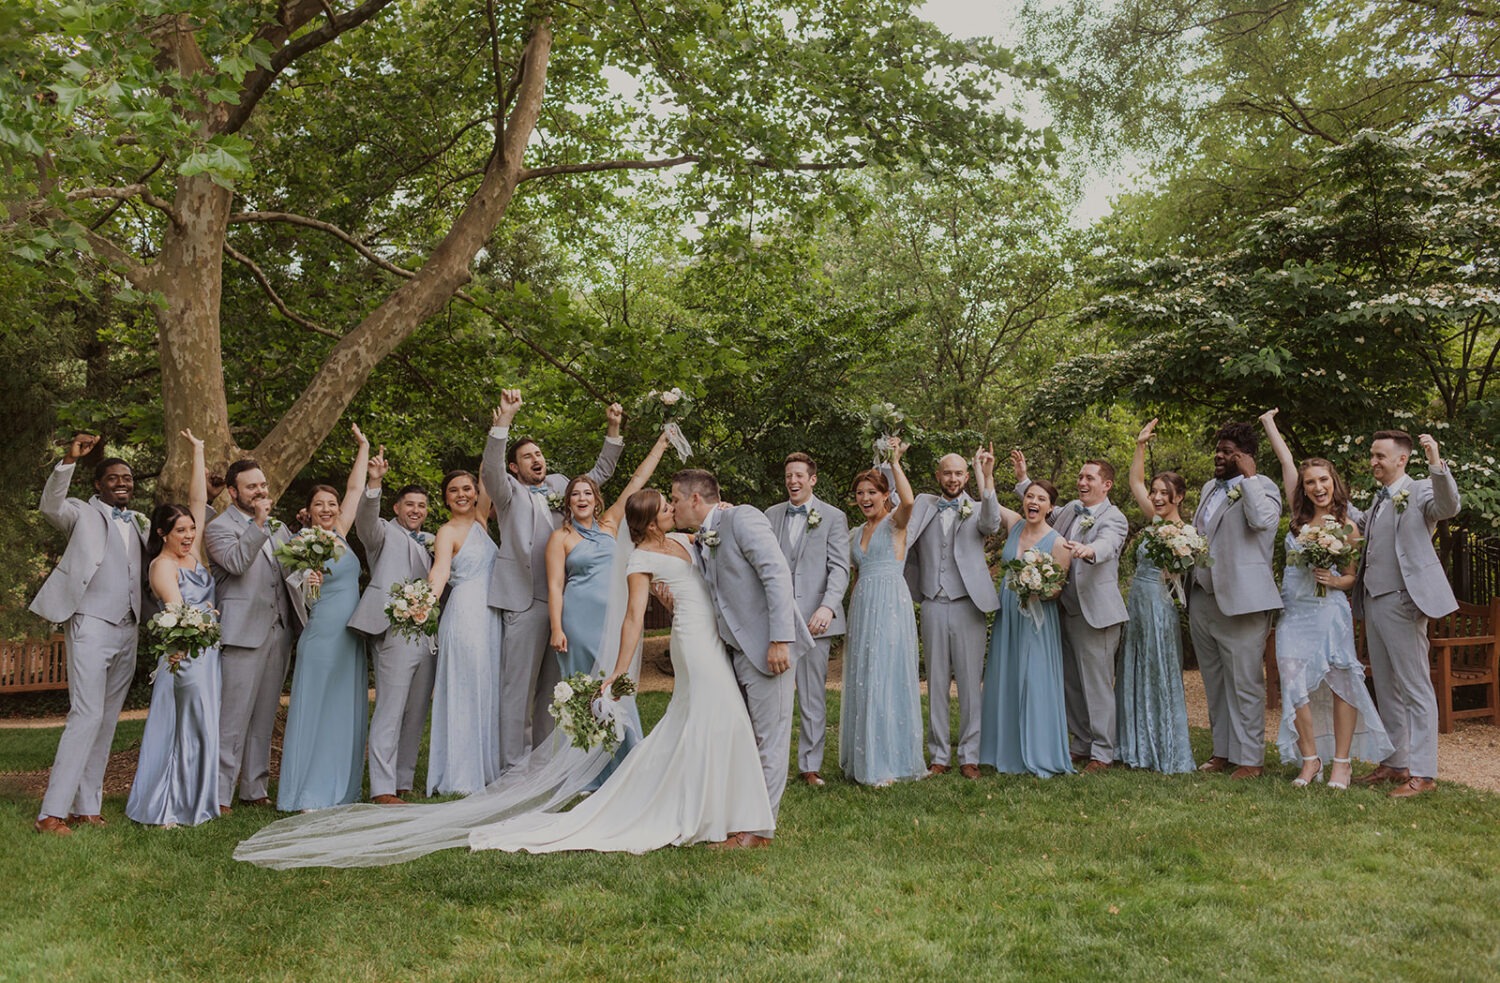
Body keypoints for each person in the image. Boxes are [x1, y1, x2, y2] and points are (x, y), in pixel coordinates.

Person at [463, 489, 775, 853]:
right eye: (665, 507)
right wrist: (619, 670)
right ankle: (721, 817)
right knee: (719, 717)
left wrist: (726, 507)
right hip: (691, 642)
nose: (673, 509)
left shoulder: (680, 539)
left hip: (713, 638)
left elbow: (711, 529)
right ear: (649, 521)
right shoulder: (640, 559)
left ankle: (723, 811)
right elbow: (631, 618)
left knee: (720, 719)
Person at [669, 468, 814, 846]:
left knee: (771, 738)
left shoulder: (743, 517)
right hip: (733, 651)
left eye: (675, 499)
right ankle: (741, 816)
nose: (673, 506)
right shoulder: (704, 536)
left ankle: (759, 829)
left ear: (695, 499)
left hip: (769, 650)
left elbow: (777, 574)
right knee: (746, 739)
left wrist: (780, 639)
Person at [481, 389, 625, 771]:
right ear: (515, 467)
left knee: (551, 689)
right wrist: (504, 423)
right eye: (527, 456)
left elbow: (597, 477)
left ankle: (541, 767)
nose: (536, 459)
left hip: (566, 605)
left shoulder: (562, 485)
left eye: (539, 454)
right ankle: (513, 767)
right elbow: (490, 470)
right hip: (523, 601)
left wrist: (613, 430)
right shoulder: (508, 491)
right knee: (518, 689)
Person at [1259, 410, 1392, 789]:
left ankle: (1342, 763)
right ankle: (1309, 760)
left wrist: (1334, 582)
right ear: (1303, 488)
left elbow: (1352, 576)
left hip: (1328, 611)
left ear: (1334, 482)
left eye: (1323, 480)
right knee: (1292, 682)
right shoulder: (1298, 519)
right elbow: (1286, 460)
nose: (1318, 488)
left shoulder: (1348, 524)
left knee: (1341, 684)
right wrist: (1269, 423)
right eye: (1311, 482)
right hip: (1294, 611)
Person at [30, 434, 148, 835]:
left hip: (128, 627)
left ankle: (87, 807)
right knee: (86, 714)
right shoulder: (80, 512)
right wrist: (69, 459)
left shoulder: (139, 522)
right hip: (90, 622)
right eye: (114, 478)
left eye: (128, 478)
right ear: (98, 484)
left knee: (108, 719)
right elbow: (50, 506)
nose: (122, 483)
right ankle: (51, 813)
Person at [545, 430, 672, 783]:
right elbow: (555, 586)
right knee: (584, 696)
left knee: (615, 690)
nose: (582, 498)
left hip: (614, 622)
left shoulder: (611, 524)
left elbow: (638, 480)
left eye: (587, 493)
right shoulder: (561, 538)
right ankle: (589, 776)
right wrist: (556, 627)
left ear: (597, 500)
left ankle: (630, 767)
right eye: (575, 495)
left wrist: (660, 444)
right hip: (577, 624)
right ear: (568, 503)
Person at [1352, 428, 1460, 798]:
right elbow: (1366, 529)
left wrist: (1436, 463)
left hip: (1404, 601)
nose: (1373, 462)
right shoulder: (1380, 499)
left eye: (1380, 456)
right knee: (1386, 686)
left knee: (1415, 687)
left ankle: (1425, 773)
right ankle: (1396, 762)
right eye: (1372, 454)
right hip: (1374, 600)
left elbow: (1447, 508)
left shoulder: (1419, 491)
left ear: (1402, 459)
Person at [126, 429, 222, 827]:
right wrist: (205, 622)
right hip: (184, 653)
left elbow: (198, 499)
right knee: (183, 727)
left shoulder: (193, 554)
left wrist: (198, 452)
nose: (189, 534)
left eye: (190, 529)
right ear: (163, 534)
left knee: (203, 726)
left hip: (207, 652)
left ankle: (198, 801)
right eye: (180, 530)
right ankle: (168, 805)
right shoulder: (162, 566)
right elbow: (177, 611)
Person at [1013, 451, 1130, 771]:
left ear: (1106, 485)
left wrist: (1089, 550)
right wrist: (1023, 478)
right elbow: (1040, 507)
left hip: (1096, 615)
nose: (1081, 481)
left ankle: (1104, 752)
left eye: (1089, 477)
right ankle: (1082, 741)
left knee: (1096, 685)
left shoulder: (1114, 518)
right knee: (1072, 684)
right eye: (1080, 476)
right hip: (1063, 610)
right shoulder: (1068, 513)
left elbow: (1108, 544)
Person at [276, 426, 372, 812]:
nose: (329, 509)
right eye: (320, 505)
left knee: (341, 710)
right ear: (308, 510)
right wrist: (308, 581)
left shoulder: (342, 535)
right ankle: (306, 792)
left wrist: (363, 448)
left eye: (331, 504)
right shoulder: (301, 543)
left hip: (350, 638)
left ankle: (339, 787)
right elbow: (304, 594)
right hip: (322, 636)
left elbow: (355, 490)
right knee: (315, 708)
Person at [893, 451, 1001, 779]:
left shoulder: (981, 507)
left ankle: (969, 755)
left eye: (959, 473)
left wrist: (987, 479)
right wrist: (890, 458)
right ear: (938, 476)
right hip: (932, 602)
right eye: (947, 473)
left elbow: (992, 523)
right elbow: (895, 495)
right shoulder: (923, 505)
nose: (953, 479)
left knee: (969, 684)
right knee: (936, 682)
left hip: (969, 603)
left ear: (966, 476)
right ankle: (938, 756)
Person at [1189, 422, 1282, 779]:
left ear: (1244, 457)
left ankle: (1251, 759)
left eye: (1227, 451)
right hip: (1202, 597)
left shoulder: (1263, 487)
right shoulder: (1209, 488)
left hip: (1243, 601)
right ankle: (1223, 751)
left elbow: (1264, 522)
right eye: (1218, 448)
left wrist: (1250, 478)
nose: (1219, 455)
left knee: (1244, 682)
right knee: (1214, 680)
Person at [206, 456, 295, 812]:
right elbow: (236, 562)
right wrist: (258, 523)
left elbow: (289, 574)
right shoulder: (218, 527)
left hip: (279, 630)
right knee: (233, 717)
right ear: (232, 492)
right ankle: (218, 794)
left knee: (263, 714)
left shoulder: (279, 528)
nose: (260, 491)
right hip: (242, 633)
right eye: (251, 486)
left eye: (262, 485)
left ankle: (254, 788)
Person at [978, 450, 1075, 777]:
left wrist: (1036, 589)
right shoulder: (1015, 525)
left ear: (1050, 507)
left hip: (1037, 620)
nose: (1033, 502)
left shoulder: (1059, 543)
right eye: (1030, 496)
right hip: (1008, 616)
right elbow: (989, 502)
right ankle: (1001, 750)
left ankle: (1038, 751)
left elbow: (1057, 589)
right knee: (1006, 677)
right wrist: (987, 472)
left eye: (1041, 498)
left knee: (1033, 682)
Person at [349, 449, 436, 805]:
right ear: (397, 508)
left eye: (421, 505)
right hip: (394, 632)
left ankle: (402, 780)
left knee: (416, 711)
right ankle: (381, 788)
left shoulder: (432, 541)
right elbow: (365, 521)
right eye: (409, 504)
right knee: (390, 709)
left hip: (426, 634)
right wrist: (375, 482)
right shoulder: (382, 532)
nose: (415, 510)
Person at [764, 452, 851, 787]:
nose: (793, 481)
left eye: (799, 475)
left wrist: (828, 607)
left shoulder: (833, 517)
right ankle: (772, 764)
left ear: (812, 479)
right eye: (788, 476)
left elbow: (840, 568)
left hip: (816, 621)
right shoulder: (770, 515)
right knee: (774, 696)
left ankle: (809, 765)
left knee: (813, 695)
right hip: (778, 621)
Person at [840, 450, 925, 786]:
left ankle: (890, 762)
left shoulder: (895, 523)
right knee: (863, 675)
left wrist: (894, 463)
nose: (865, 498)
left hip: (891, 602)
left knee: (886, 674)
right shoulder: (855, 531)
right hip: (863, 604)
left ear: (884, 494)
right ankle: (863, 757)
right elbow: (854, 574)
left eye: (872, 492)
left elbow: (910, 500)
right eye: (860, 493)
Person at [1115, 419, 1195, 774]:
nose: (1158, 497)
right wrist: (1140, 445)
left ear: (1178, 497)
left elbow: (1183, 572)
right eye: (1155, 492)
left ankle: (1165, 747)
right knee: (1134, 667)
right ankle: (1136, 747)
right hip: (1136, 601)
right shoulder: (1154, 522)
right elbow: (1134, 481)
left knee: (1158, 669)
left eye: (1164, 493)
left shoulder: (1184, 532)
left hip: (1160, 605)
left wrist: (1175, 566)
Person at [425, 469, 503, 795]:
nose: (461, 494)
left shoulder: (482, 522)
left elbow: (490, 471)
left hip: (491, 616)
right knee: (466, 688)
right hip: (465, 614)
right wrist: (425, 601)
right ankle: (460, 774)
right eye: (453, 490)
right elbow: (440, 570)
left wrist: (501, 425)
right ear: (446, 498)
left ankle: (485, 767)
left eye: (467, 488)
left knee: (487, 687)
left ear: (475, 492)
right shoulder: (447, 531)